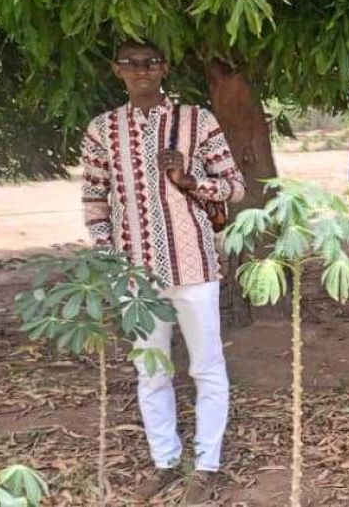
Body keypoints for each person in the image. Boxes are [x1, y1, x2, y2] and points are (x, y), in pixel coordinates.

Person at [81, 40, 246, 504]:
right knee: (150, 371)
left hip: (195, 264)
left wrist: (191, 180)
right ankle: (166, 461)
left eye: (149, 62)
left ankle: (207, 465)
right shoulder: (102, 131)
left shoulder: (197, 121)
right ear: (117, 70)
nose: (141, 71)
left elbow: (234, 188)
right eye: (130, 64)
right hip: (137, 275)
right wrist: (108, 258)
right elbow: (95, 200)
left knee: (207, 367)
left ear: (164, 68)